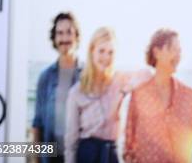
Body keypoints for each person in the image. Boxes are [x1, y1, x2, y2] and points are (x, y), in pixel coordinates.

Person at [65, 27, 150, 163]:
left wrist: (124, 90)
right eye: (101, 51)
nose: (106, 57)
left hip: (111, 155)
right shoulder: (77, 92)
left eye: (111, 52)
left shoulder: (120, 80)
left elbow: (146, 75)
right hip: (87, 154)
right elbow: (71, 141)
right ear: (92, 51)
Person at [124, 29, 192, 163]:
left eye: (179, 51)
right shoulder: (139, 94)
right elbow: (129, 147)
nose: (177, 55)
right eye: (172, 49)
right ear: (156, 52)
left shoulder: (190, 97)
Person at [32, 12, 82, 163]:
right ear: (54, 38)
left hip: (79, 155)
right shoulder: (45, 77)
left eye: (69, 32)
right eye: (60, 33)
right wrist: (35, 159)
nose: (65, 38)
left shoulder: (87, 75)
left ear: (76, 37)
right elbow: (37, 124)